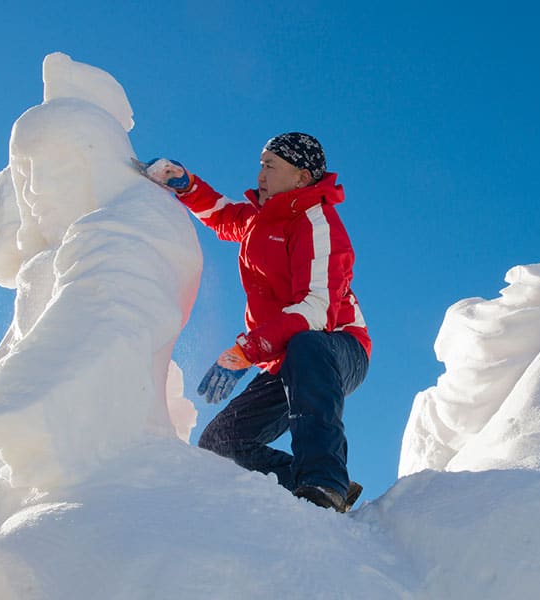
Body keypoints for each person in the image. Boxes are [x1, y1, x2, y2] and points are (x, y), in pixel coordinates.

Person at [142, 133, 370, 512]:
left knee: (307, 345)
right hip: (285, 356)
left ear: (301, 177)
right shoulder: (256, 219)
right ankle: (314, 482)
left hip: (336, 347)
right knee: (219, 445)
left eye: (271, 166)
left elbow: (316, 310)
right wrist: (185, 184)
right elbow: (222, 215)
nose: (260, 174)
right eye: (261, 164)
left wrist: (247, 350)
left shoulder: (317, 221)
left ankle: (324, 482)